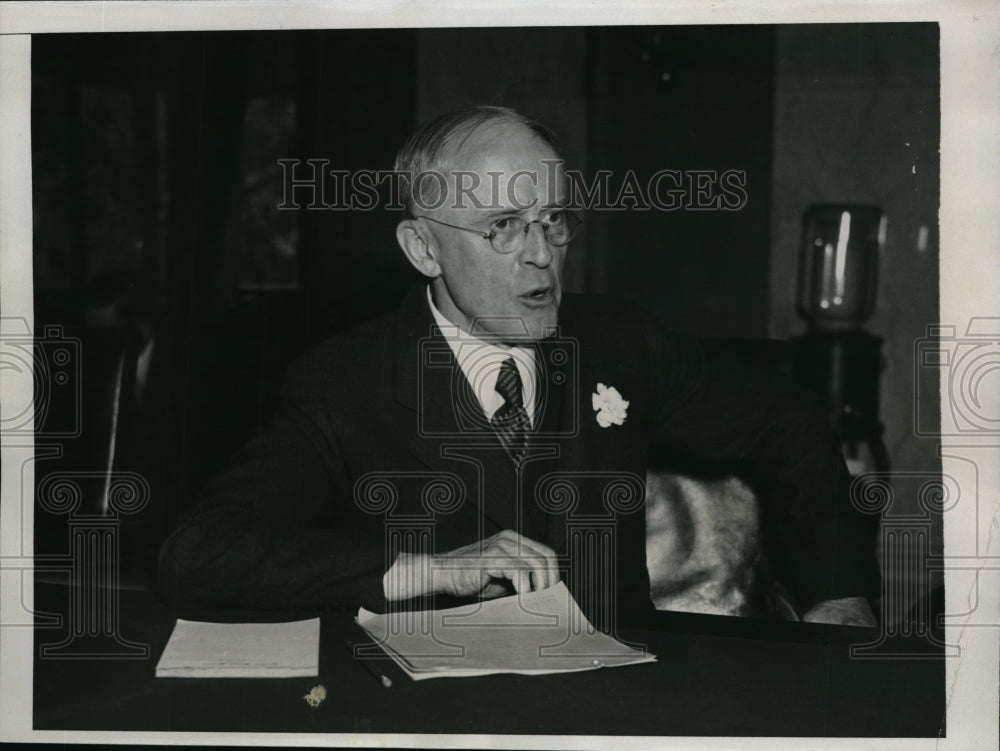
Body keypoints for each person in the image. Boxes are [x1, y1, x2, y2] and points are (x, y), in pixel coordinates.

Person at [157, 106, 879, 627]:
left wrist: (837, 590)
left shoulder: (619, 342)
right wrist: (428, 568)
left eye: (552, 219)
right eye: (502, 226)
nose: (540, 254)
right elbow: (201, 552)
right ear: (423, 250)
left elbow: (786, 417)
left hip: (625, 698)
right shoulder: (346, 380)